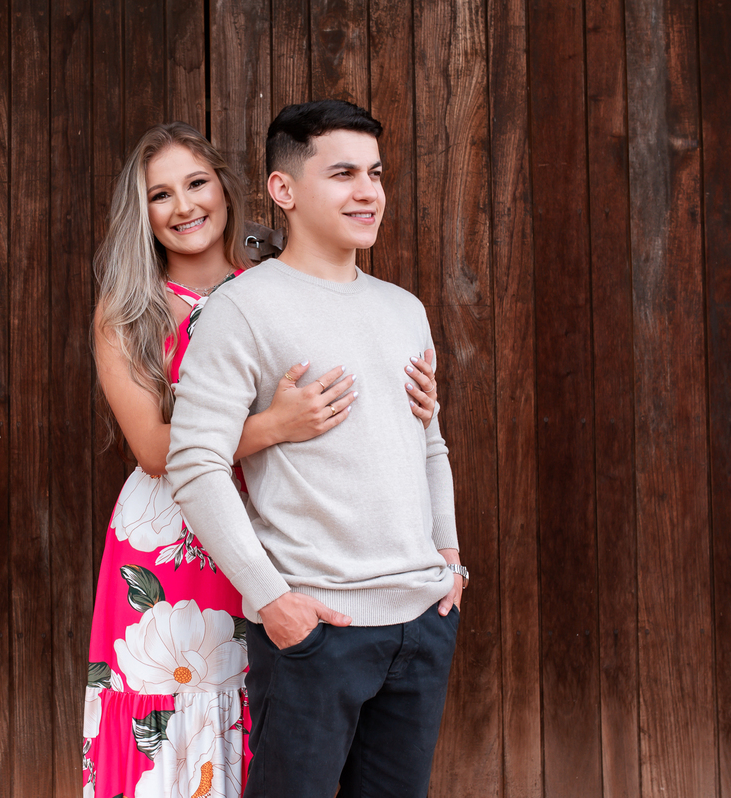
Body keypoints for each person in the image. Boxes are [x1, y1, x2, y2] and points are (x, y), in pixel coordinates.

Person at [83, 121, 438, 798]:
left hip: (277, 525)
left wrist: (414, 401)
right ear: (143, 213)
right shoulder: (129, 311)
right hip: (175, 538)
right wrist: (273, 425)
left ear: (225, 188)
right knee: (180, 702)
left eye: (197, 183)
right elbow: (155, 450)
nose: (185, 206)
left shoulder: (275, 286)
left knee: (270, 720)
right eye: (161, 195)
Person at [166, 99, 465, 797]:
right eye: (343, 174)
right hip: (317, 629)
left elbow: (430, 444)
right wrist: (273, 600)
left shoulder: (404, 309)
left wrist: (449, 561)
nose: (368, 192)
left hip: (421, 623)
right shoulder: (241, 310)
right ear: (284, 189)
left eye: (375, 173)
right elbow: (195, 464)